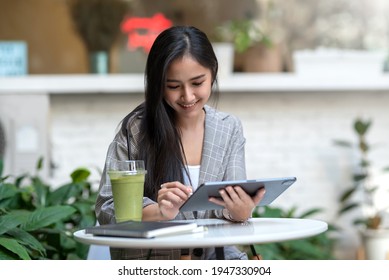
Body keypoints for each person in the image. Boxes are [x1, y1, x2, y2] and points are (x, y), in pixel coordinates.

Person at [95, 25, 265, 260]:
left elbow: (228, 205)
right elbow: (106, 207)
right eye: (173, 86)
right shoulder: (135, 130)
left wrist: (241, 210)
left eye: (197, 83)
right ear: (158, 84)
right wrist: (158, 211)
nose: (187, 96)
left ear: (213, 73)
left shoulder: (229, 129)